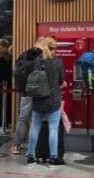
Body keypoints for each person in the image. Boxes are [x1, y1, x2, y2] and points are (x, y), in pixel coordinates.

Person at [26, 36, 65, 167]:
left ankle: (31, 156)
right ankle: (53, 157)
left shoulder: (37, 61)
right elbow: (60, 80)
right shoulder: (58, 62)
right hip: (53, 99)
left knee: (35, 127)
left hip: (38, 98)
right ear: (54, 47)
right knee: (53, 128)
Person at [9, 37, 43, 155]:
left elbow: (16, 71)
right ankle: (32, 148)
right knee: (35, 120)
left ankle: (16, 146)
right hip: (40, 92)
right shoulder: (43, 56)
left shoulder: (24, 55)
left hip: (25, 92)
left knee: (23, 119)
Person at [0, 43, 13, 130]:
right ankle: (3, 123)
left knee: (0, 104)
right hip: (3, 85)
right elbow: (7, 73)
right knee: (3, 104)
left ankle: (1, 123)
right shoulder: (4, 62)